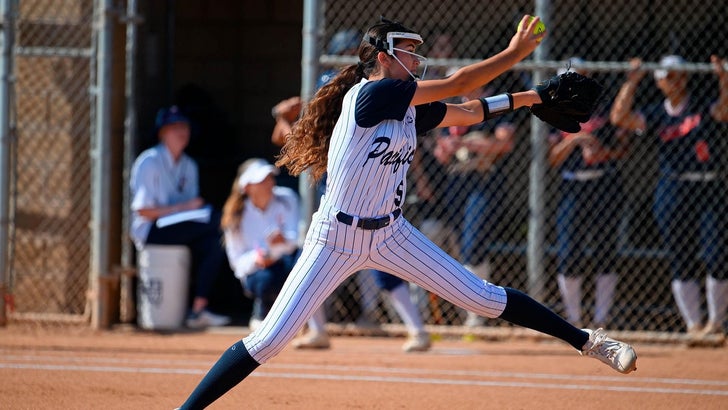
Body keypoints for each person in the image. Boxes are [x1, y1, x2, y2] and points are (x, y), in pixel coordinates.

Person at [177, 16, 637, 409]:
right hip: (334, 239)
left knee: (484, 298)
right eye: (407, 51)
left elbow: (468, 111)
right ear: (380, 56)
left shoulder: (407, 107)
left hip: (391, 234)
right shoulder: (372, 94)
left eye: (417, 52)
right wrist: (514, 52)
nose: (416, 59)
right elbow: (459, 84)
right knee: (268, 342)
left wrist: (532, 97)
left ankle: (589, 341)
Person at [610, 55, 728, 338]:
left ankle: (716, 324)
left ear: (685, 77)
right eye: (666, 77)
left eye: (676, 75)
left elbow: (724, 111)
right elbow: (619, 118)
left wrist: (723, 79)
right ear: (659, 82)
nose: (672, 81)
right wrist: (631, 82)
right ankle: (693, 325)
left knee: (716, 256)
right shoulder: (656, 113)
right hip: (673, 188)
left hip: (707, 186)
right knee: (680, 256)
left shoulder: (700, 105)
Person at [130, 106, 230, 329]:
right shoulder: (149, 161)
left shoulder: (189, 164)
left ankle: (198, 310)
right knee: (216, 221)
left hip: (178, 227)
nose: (181, 131)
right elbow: (143, 211)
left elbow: (192, 212)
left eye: (184, 126)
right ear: (162, 132)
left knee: (215, 243)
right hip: (151, 230)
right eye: (174, 127)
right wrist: (183, 207)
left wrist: (188, 210)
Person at [548, 59, 629, 329]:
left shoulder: (603, 109)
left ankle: (601, 318)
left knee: (606, 250)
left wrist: (602, 152)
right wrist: (575, 140)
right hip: (572, 186)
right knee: (569, 252)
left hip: (604, 185)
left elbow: (623, 149)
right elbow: (553, 159)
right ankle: (573, 319)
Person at [433, 84, 516, 328]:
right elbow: (441, 153)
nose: (466, 93)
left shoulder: (492, 109)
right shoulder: (454, 111)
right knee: (460, 245)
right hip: (457, 182)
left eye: (472, 87)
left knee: (473, 244)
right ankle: (471, 308)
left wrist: (467, 143)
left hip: (483, 182)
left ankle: (478, 310)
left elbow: (503, 144)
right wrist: (450, 147)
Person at [220, 158, 300, 331]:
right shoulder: (235, 215)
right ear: (247, 187)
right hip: (258, 273)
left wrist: (282, 242)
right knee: (266, 279)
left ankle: (301, 321)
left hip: (286, 261)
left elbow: (295, 241)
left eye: (270, 178)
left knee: (303, 264)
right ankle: (263, 311)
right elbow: (237, 264)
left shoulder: (287, 198)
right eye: (261, 181)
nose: (269, 183)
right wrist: (257, 259)